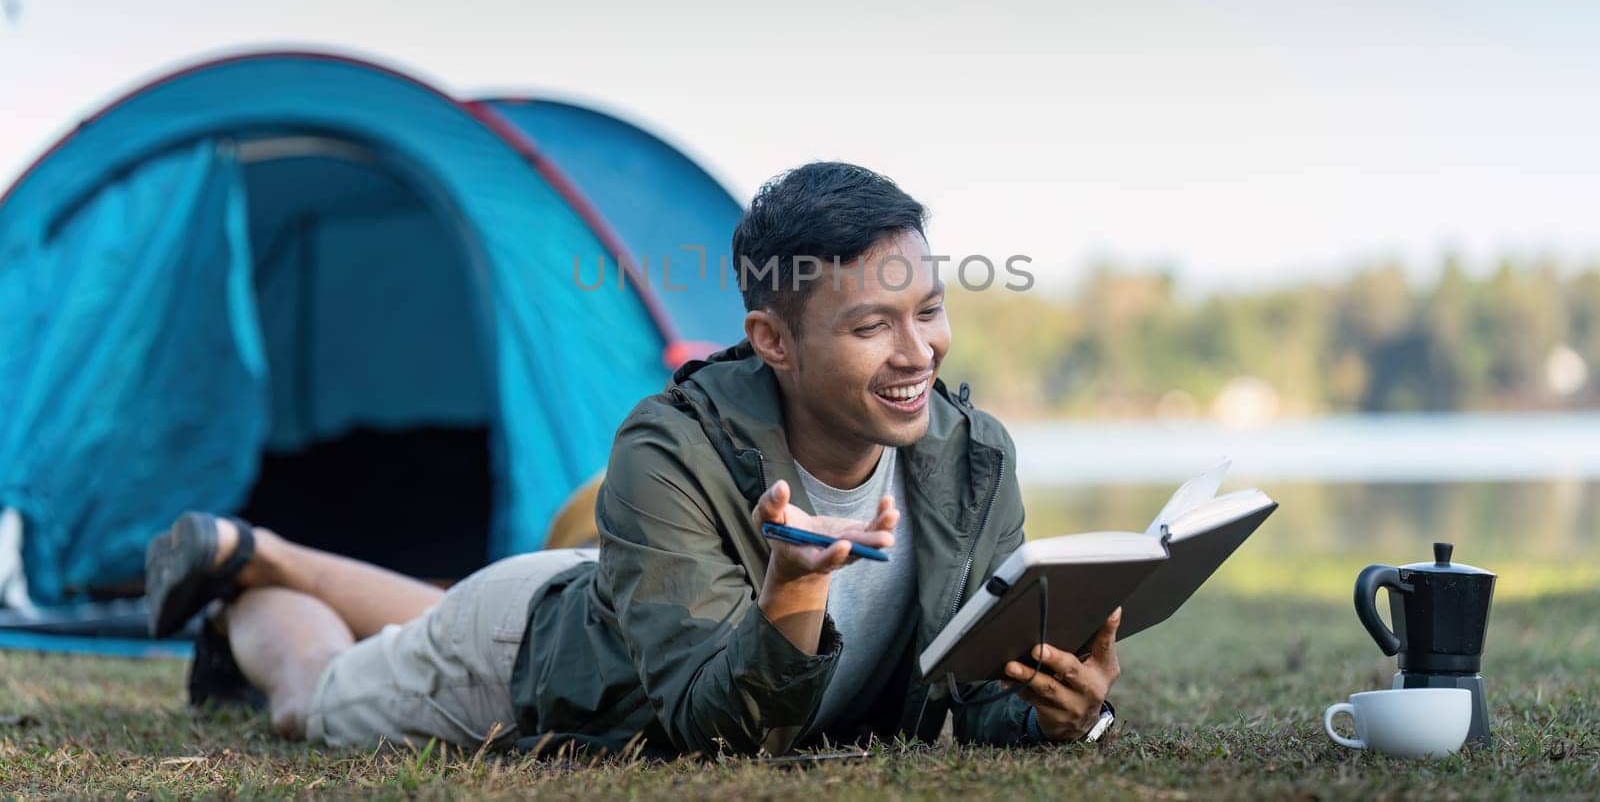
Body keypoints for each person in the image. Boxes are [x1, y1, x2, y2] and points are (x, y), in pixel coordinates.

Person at [145, 161, 1121, 756]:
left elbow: (978, 690)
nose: (918, 353)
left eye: (928, 309)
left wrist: (1050, 713)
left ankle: (264, 547)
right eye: (872, 324)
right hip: (530, 657)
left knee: (462, 604)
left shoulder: (971, 455)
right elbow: (709, 727)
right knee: (310, 701)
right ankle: (248, 580)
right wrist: (790, 596)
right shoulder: (667, 446)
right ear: (772, 341)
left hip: (627, 590)